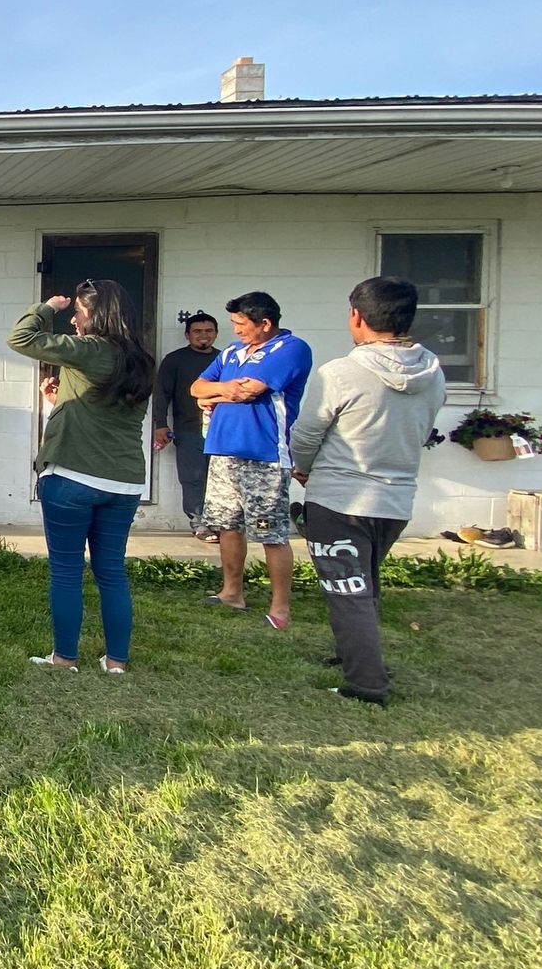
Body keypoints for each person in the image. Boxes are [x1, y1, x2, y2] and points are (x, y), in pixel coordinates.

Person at [290, 277, 446, 706]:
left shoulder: (341, 372)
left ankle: (366, 685)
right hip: (395, 500)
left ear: (356, 317)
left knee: (347, 592)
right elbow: (423, 427)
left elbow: (306, 433)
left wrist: (303, 469)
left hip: (340, 499)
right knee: (363, 584)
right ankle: (353, 655)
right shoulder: (432, 371)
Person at [7, 282, 156, 673]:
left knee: (67, 570)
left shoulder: (89, 349)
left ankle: (64, 658)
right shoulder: (141, 360)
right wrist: (60, 401)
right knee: (111, 570)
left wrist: (47, 308)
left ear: (97, 314)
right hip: (123, 482)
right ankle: (117, 662)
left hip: (73, 476)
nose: (73, 318)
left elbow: (20, 338)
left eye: (78, 311)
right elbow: (107, 410)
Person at [190, 290, 314, 630]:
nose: (237, 331)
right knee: (227, 524)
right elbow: (197, 387)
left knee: (270, 531)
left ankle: (280, 608)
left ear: (265, 323)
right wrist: (222, 390)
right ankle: (232, 593)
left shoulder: (291, 349)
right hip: (222, 450)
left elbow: (251, 389)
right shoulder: (232, 351)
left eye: (242, 325)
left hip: (264, 454)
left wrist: (222, 391)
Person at [153, 312, 220, 538]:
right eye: (197, 331)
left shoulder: (224, 359)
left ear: (216, 334)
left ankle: (220, 524)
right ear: (187, 334)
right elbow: (161, 394)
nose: (203, 335)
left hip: (222, 433)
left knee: (220, 479)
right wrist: (160, 425)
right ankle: (198, 523)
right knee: (192, 477)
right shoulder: (175, 360)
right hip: (188, 430)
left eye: (208, 331)